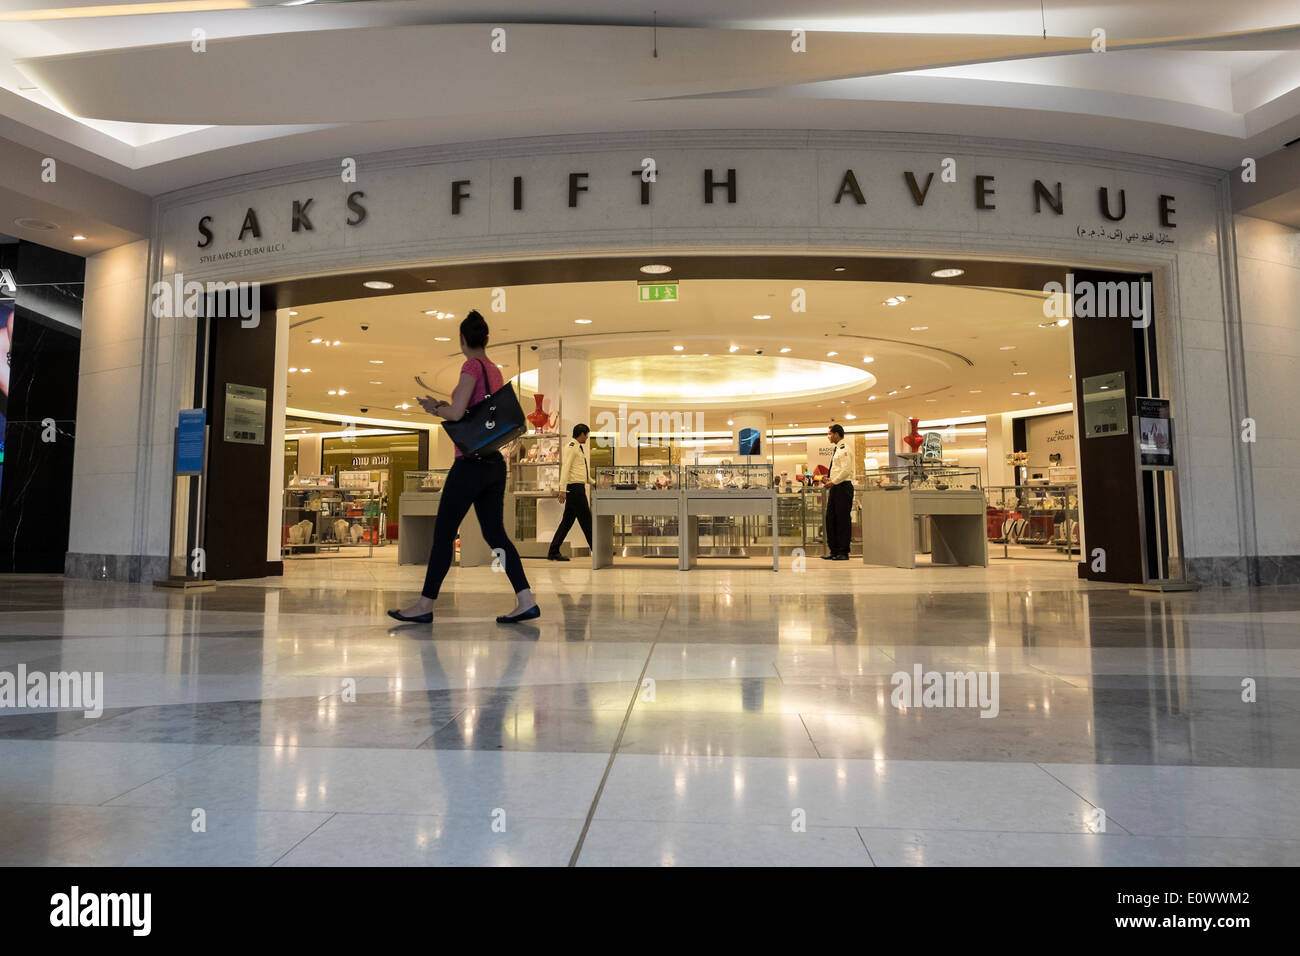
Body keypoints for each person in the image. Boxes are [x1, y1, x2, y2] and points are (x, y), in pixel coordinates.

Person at [388, 310, 539, 625]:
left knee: (443, 532)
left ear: (462, 340)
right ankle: (525, 598)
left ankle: (425, 604)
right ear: (486, 338)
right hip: (494, 463)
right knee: (496, 534)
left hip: (469, 464)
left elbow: (457, 413)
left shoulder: (471, 365)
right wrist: (446, 407)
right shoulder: (494, 370)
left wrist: (436, 408)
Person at [547, 423, 594, 560]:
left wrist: (594, 482)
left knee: (566, 523)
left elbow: (580, 472)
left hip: (577, 488)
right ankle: (597, 550)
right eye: (587, 435)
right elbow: (566, 468)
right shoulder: (572, 448)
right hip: (575, 490)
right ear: (581, 434)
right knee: (587, 521)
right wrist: (562, 489)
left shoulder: (578, 448)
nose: (587, 438)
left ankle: (553, 551)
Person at [822, 423, 854, 561]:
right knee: (831, 519)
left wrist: (833, 482)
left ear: (836, 434)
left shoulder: (844, 449)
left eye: (830, 434)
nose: (828, 436)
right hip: (836, 487)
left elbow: (846, 470)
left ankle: (843, 552)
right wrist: (829, 479)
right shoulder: (837, 449)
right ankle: (834, 550)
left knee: (842, 520)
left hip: (843, 487)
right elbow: (839, 470)